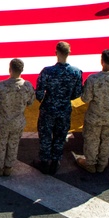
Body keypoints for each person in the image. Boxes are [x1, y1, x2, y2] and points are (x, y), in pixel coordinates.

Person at [34, 42, 83, 174]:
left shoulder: (47, 71)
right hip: (64, 109)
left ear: (56, 53)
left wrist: (44, 99)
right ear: (69, 53)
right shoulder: (76, 72)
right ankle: (55, 162)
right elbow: (78, 93)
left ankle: (44, 162)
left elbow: (39, 93)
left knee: (45, 135)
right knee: (60, 136)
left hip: (48, 108)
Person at [77, 50, 109, 173]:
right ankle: (102, 164)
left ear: (102, 61)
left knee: (92, 140)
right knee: (107, 140)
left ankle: (90, 164)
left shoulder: (93, 79)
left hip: (94, 117)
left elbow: (85, 98)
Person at [0, 59, 35, 176]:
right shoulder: (28, 86)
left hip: (2, 121)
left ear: (10, 69)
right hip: (18, 121)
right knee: (13, 143)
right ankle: (8, 166)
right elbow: (30, 102)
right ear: (22, 70)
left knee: (0, 143)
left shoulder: (0, 85)